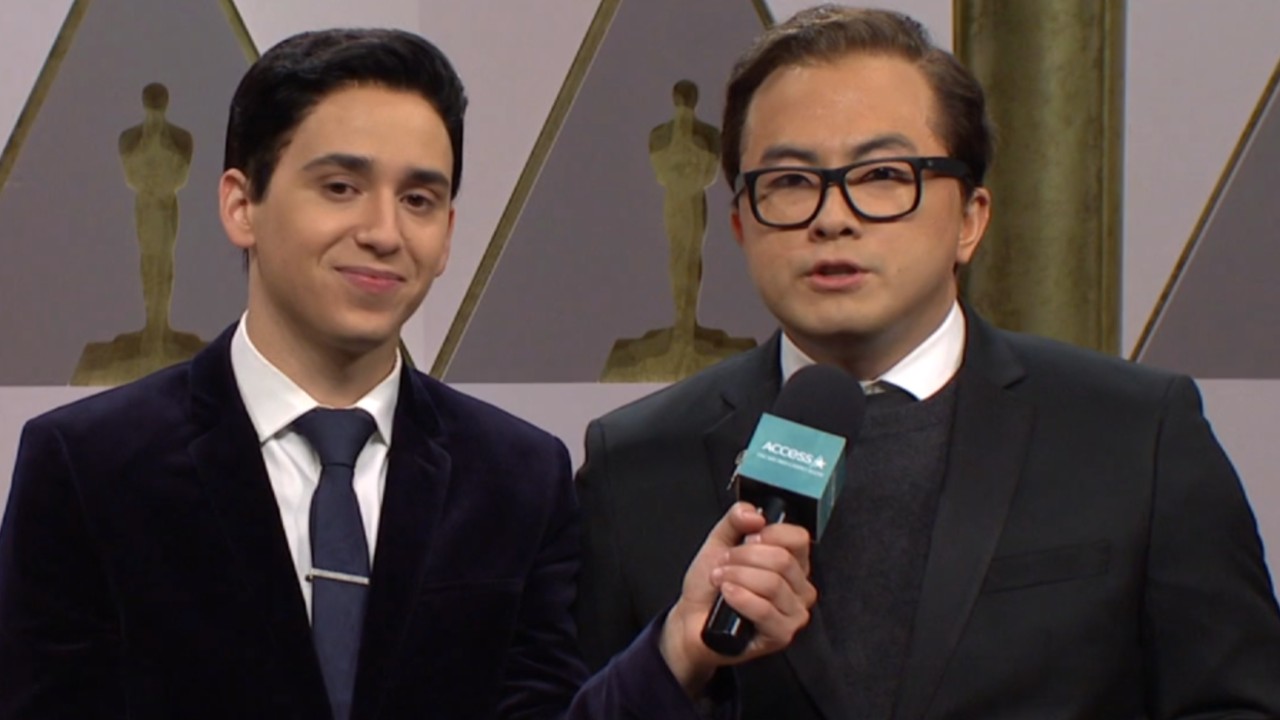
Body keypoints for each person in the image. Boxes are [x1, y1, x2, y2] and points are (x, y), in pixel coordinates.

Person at [0, 28, 817, 720]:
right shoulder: (87, 465)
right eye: (341, 187)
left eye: (420, 199)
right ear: (240, 203)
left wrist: (678, 644)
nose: (384, 232)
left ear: (449, 229)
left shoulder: (518, 474)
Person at [575, 6, 1280, 719]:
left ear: (971, 218)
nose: (832, 216)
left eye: (882, 173)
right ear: (739, 225)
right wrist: (677, 657)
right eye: (789, 181)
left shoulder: (1135, 436)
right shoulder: (634, 462)